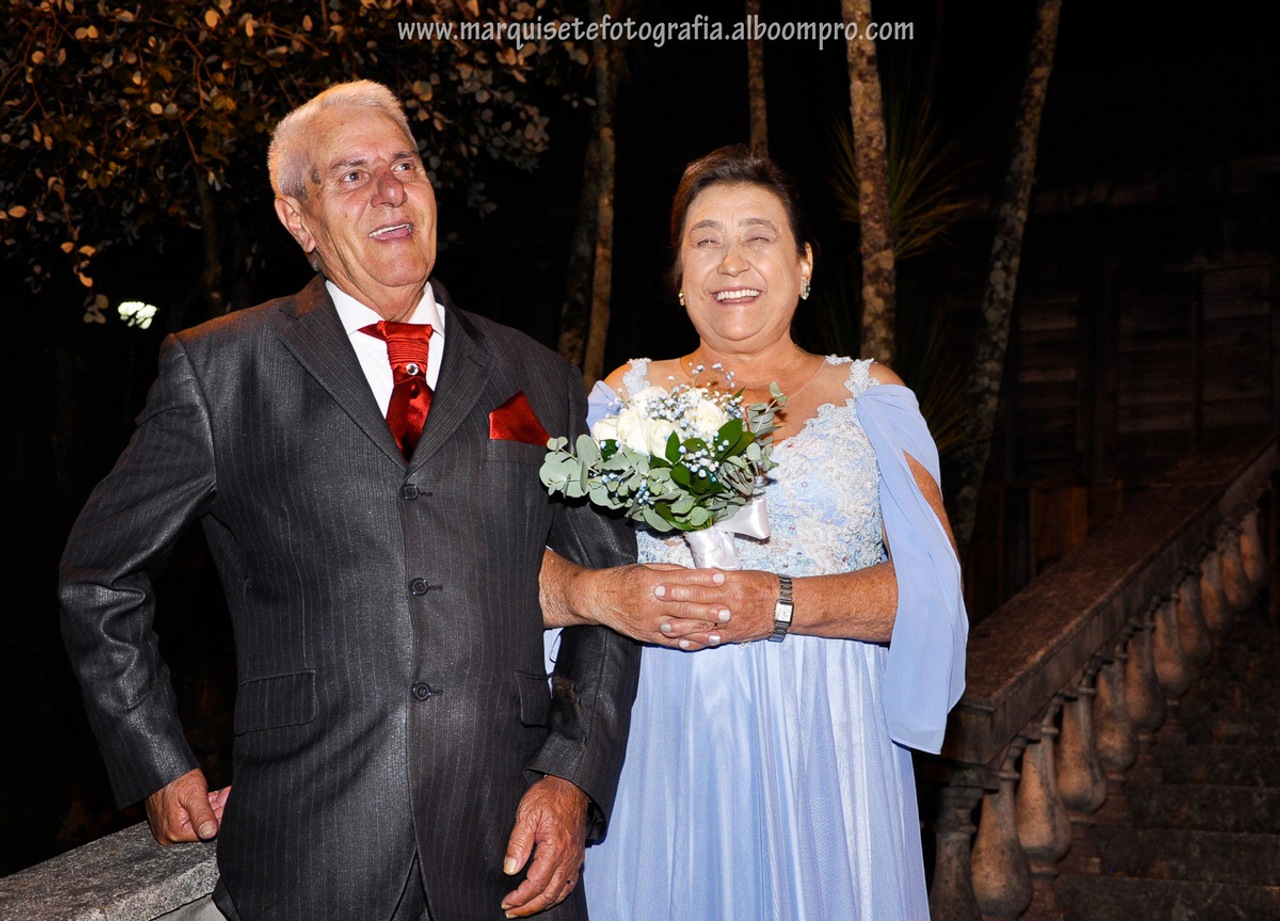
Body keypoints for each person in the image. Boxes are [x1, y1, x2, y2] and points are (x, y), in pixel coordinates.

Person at [57, 81, 718, 921]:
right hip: (311, 847)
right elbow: (99, 577)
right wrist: (156, 759)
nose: (390, 190)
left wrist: (570, 776)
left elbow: (608, 593)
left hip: (510, 848)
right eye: (352, 174)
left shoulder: (538, 376)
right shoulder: (221, 371)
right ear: (298, 218)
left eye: (405, 165)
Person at [574, 146, 969, 920]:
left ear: (804, 264)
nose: (732, 262)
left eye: (758, 236)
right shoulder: (623, 399)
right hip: (665, 745)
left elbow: (931, 589)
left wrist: (778, 603)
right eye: (706, 240)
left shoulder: (873, 398)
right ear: (680, 275)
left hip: (831, 748)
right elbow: (566, 572)